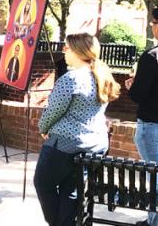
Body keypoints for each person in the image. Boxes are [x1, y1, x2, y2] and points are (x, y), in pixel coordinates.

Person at [34, 33, 120, 226]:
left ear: (78, 51)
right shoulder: (102, 76)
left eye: (67, 48)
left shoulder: (71, 78)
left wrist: (43, 128)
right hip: (95, 144)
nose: (64, 52)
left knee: (43, 184)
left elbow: (52, 111)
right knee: (71, 190)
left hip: (65, 143)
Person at [125, 4, 158, 226]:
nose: (152, 28)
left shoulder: (154, 56)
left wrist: (132, 85)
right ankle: (155, 219)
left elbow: (139, 96)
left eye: (153, 24)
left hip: (154, 127)